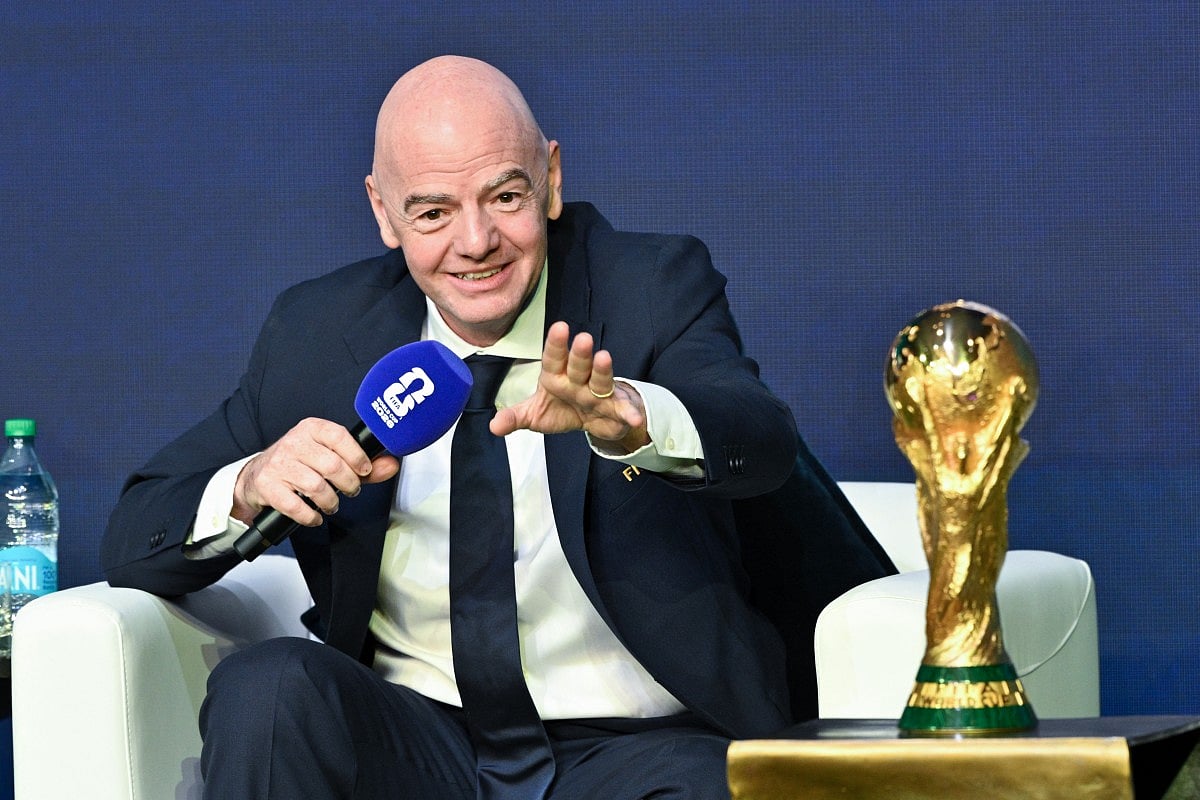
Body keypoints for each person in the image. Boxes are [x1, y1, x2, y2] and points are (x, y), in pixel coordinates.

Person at [102, 55, 891, 800]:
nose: (475, 242)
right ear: (383, 212)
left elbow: (757, 434)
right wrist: (247, 486)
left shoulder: (651, 286)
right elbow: (139, 529)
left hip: (632, 747)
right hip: (420, 742)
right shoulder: (318, 332)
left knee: (706, 785)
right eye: (434, 211)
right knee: (268, 688)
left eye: (505, 197)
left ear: (551, 178)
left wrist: (634, 421)